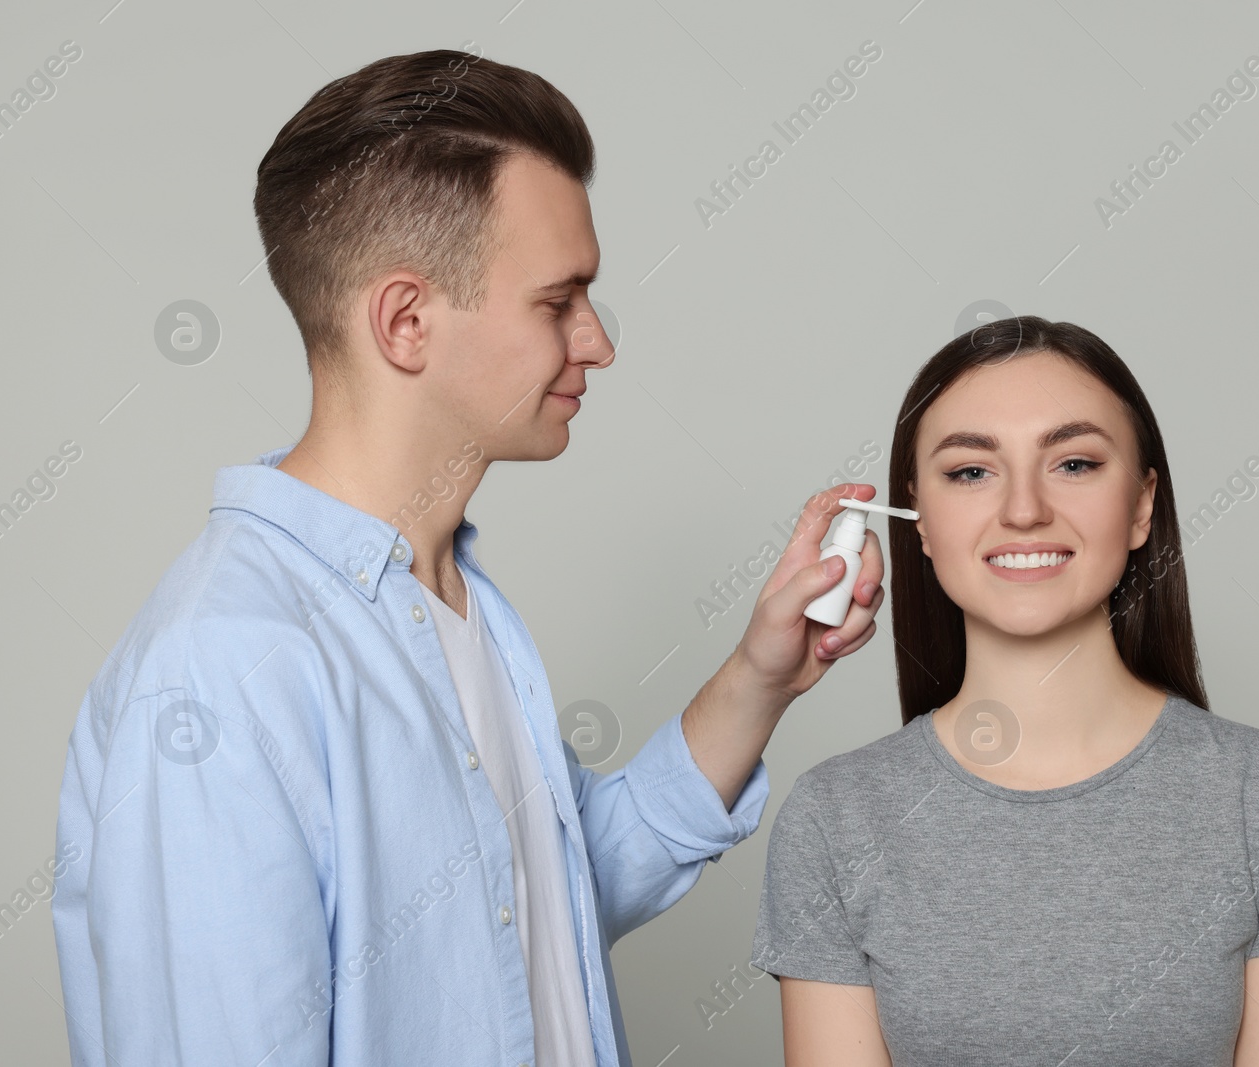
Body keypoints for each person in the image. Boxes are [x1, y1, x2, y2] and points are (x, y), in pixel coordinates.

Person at [50, 49, 889, 1067]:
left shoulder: (454, 605)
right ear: (406, 322)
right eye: (557, 300)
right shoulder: (226, 666)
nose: (597, 342)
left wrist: (762, 676)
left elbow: (560, 887)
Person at [751, 317, 1259, 1066]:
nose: (1023, 510)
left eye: (1074, 464)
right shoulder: (834, 820)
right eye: (971, 471)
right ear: (918, 519)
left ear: (1142, 504)